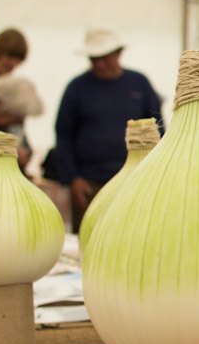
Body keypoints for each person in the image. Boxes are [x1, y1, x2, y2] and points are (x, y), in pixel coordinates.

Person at [55, 28, 164, 233]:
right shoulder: (76, 88)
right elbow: (64, 136)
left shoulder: (139, 83)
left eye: (104, 57)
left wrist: (154, 174)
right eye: (94, 58)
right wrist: (73, 178)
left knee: (133, 234)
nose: (99, 64)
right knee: (89, 236)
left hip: (134, 182)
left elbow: (158, 129)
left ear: (118, 53)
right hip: (89, 184)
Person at [0, 28, 34, 170]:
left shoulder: (9, 84)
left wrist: (25, 151)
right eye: (9, 57)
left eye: (18, 59)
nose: (13, 63)